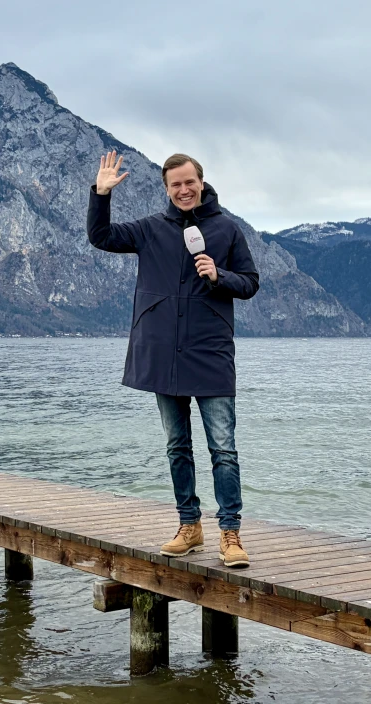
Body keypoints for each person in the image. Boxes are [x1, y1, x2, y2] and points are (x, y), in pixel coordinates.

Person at [87, 150, 260, 568]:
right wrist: (101, 194)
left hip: (211, 355)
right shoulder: (150, 229)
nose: (183, 190)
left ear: (201, 182)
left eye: (189, 182)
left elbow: (251, 282)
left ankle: (230, 534)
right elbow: (101, 236)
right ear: (166, 188)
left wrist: (219, 276)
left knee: (224, 449)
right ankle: (189, 525)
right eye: (175, 184)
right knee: (177, 446)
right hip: (163, 355)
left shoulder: (226, 230)